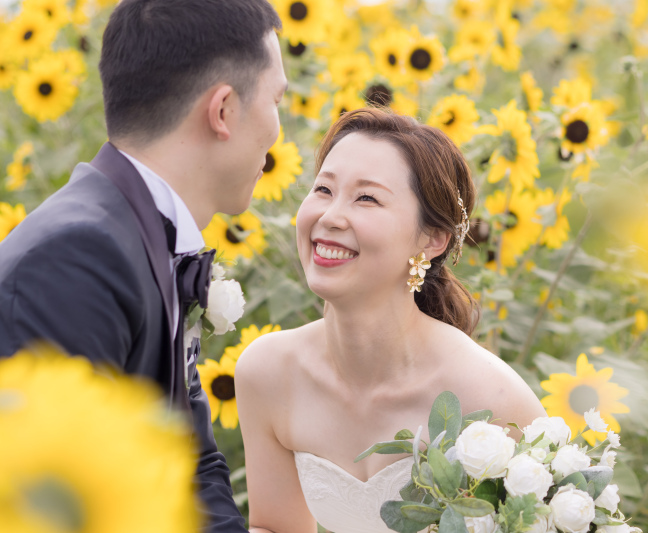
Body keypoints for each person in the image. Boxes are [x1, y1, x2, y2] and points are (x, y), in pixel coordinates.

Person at [0, 0, 287, 531]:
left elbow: (189, 463)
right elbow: (61, 503)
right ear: (223, 110)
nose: (278, 130)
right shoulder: (75, 259)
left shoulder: (139, 233)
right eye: (276, 101)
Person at [236, 108, 548, 533]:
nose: (330, 217)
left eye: (367, 198)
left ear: (432, 239)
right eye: (323, 189)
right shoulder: (268, 372)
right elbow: (276, 528)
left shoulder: (493, 401)